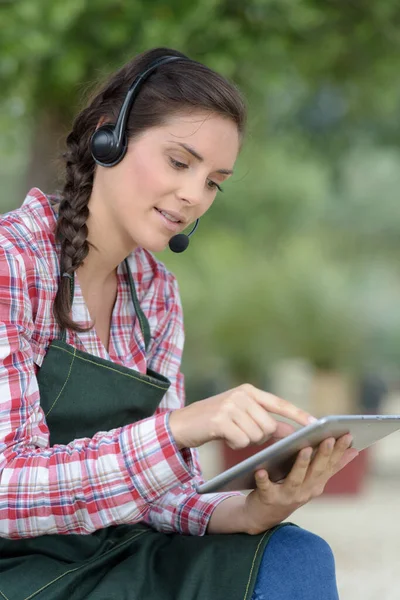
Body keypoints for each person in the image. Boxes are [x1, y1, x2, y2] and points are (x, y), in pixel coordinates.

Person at [0, 47, 358, 600]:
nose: (194, 196)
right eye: (179, 162)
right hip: (18, 569)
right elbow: (7, 491)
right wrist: (179, 429)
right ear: (107, 137)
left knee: (296, 555)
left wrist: (249, 509)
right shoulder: (14, 263)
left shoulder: (157, 293)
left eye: (214, 181)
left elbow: (161, 494)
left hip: (114, 551)